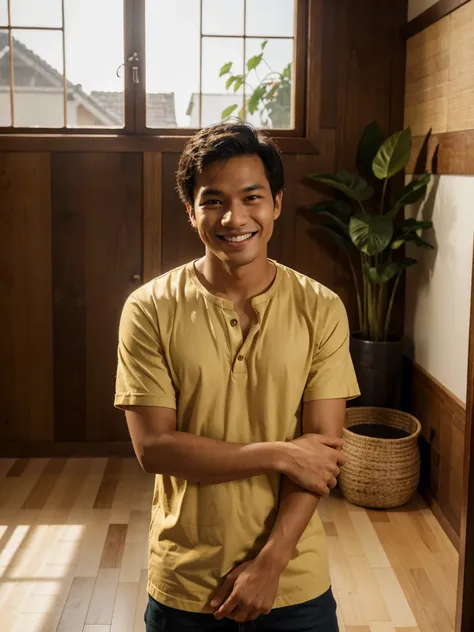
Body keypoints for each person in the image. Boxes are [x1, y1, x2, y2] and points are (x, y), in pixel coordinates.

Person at [114, 121, 360, 631]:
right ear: (190, 211)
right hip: (185, 578)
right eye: (213, 201)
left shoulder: (322, 308)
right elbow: (153, 449)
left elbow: (321, 457)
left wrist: (270, 564)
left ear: (276, 203)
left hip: (294, 574)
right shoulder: (149, 309)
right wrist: (278, 452)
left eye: (252, 197)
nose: (234, 217)